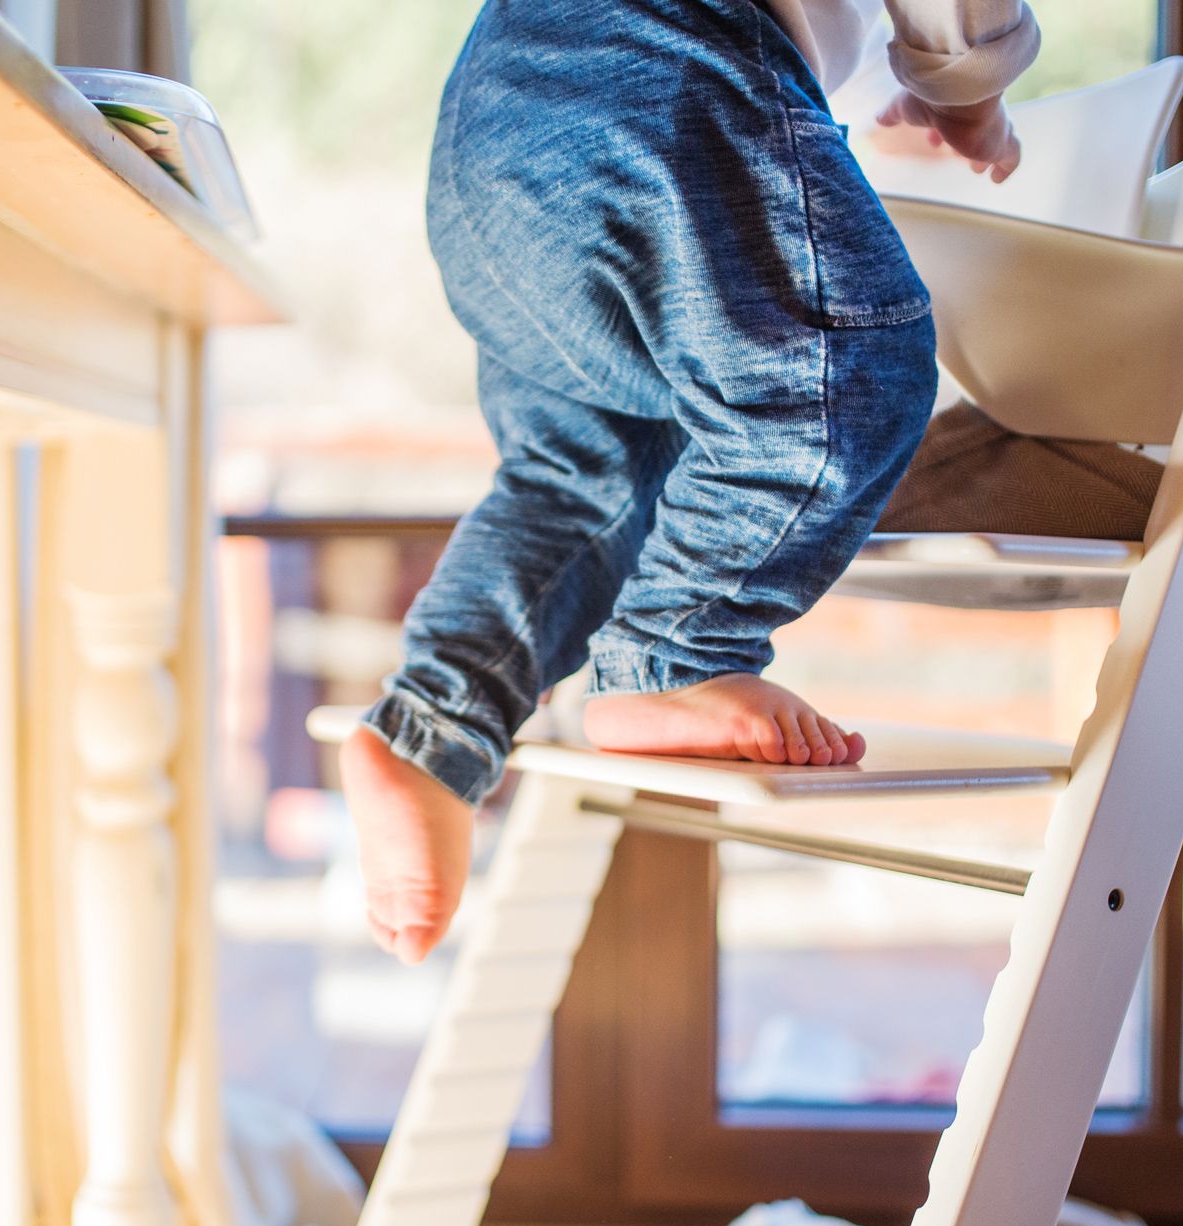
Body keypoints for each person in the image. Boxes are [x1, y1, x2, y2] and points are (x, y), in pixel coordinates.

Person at [344, 0, 1037, 963]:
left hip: (486, 140)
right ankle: (681, 650)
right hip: (667, 74)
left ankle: (432, 723)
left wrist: (890, 87)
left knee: (584, 479)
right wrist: (966, 87)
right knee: (837, 370)